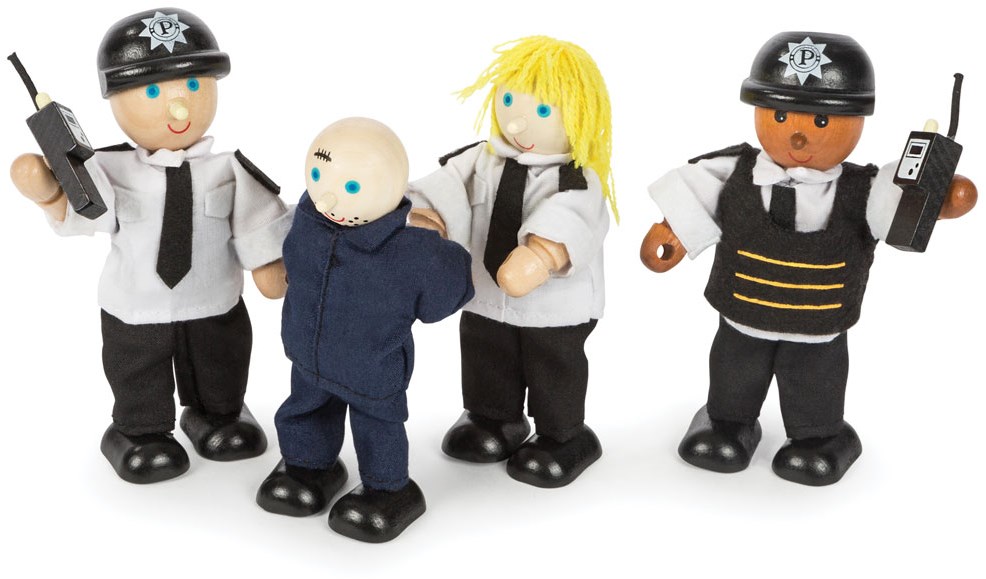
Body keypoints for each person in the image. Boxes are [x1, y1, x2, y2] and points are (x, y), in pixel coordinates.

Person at [642, 32, 977, 486]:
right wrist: (672, 232)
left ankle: (819, 438)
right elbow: (693, 190)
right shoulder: (735, 170)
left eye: (821, 120)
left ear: (856, 120)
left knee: (814, 385)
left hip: (818, 326)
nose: (797, 134)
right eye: (781, 115)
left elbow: (899, 205)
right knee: (733, 376)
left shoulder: (865, 189)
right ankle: (727, 424)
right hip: (742, 315)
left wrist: (939, 198)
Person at [10, 8, 291, 484]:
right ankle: (138, 432)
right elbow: (89, 212)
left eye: (193, 85)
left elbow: (256, 219)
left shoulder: (229, 169)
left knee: (220, 362)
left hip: (215, 299)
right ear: (116, 100)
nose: (179, 108)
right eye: (155, 92)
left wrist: (268, 264)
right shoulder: (109, 168)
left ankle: (218, 414)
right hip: (136, 304)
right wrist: (49, 193)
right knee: (138, 370)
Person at [407, 36, 616, 488]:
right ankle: (493, 417)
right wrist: (426, 219)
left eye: (541, 110)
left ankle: (563, 434)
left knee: (552, 365)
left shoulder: (577, 178)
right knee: (485, 353)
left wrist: (541, 254)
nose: (517, 121)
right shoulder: (481, 159)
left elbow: (573, 218)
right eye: (507, 102)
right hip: (484, 294)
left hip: (553, 308)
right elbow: (443, 185)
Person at [256, 118, 474, 543]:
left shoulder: (412, 252)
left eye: (351, 187)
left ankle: (387, 489)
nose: (329, 196)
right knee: (306, 408)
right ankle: (307, 466)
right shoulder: (308, 218)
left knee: (377, 425)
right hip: (308, 353)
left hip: (372, 364)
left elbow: (448, 290)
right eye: (318, 175)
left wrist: (434, 235)